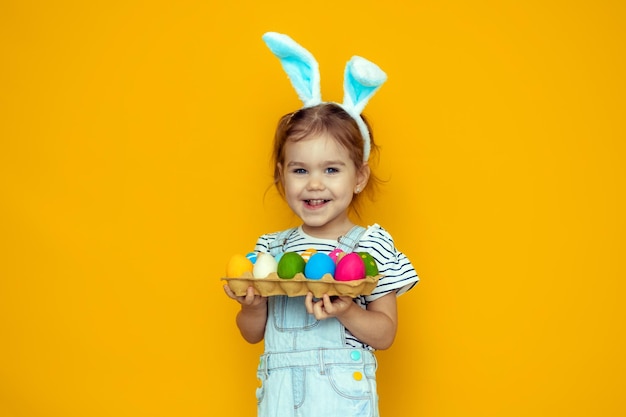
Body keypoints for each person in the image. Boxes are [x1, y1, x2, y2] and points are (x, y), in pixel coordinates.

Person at [223, 32, 419, 417]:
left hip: (341, 403)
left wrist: (347, 310)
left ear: (359, 177)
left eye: (331, 169)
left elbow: (386, 334)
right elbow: (251, 334)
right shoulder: (271, 251)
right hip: (279, 403)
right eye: (300, 170)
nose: (314, 183)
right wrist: (252, 305)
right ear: (282, 177)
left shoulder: (371, 246)